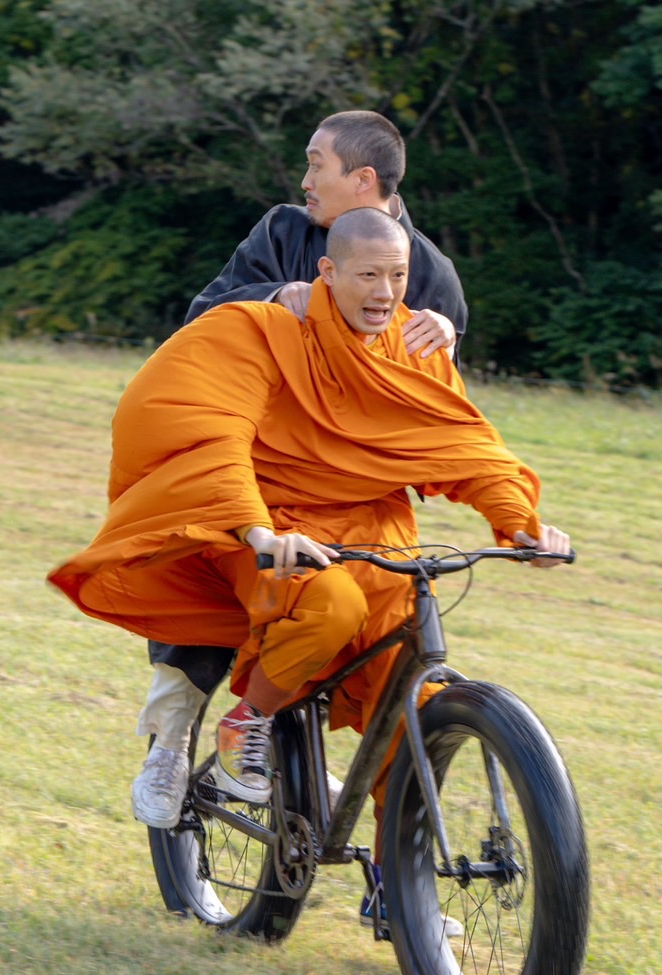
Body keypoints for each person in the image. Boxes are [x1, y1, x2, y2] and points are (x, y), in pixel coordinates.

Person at [48, 209, 569, 930]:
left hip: (376, 539)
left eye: (396, 277)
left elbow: (466, 448)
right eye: (367, 275)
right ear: (328, 272)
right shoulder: (264, 328)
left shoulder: (415, 346)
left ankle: (395, 883)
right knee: (330, 607)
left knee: (408, 697)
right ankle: (248, 720)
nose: (384, 292)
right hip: (270, 529)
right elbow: (209, 431)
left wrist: (521, 524)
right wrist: (256, 528)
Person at [134, 110, 469, 832]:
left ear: (363, 178)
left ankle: (395, 853)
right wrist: (270, 298)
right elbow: (200, 318)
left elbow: (435, 399)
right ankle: (171, 742)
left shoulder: (433, 273)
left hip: (354, 490)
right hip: (256, 466)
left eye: (317, 163)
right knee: (217, 583)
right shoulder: (281, 232)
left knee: (392, 640)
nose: (305, 178)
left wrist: (449, 334)